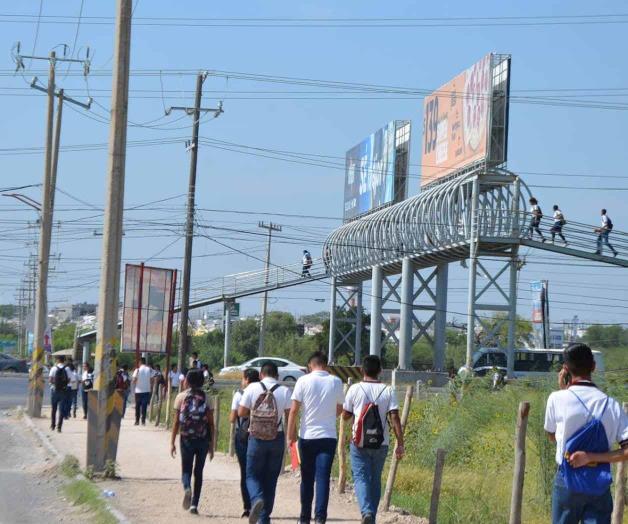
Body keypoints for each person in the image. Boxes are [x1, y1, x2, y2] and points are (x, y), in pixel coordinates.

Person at [544, 343, 628, 523]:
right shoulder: (612, 405)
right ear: (593, 367)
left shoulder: (556, 399)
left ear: (565, 369)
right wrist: (590, 457)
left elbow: (551, 436)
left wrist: (563, 390)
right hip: (599, 483)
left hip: (567, 480)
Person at [342, 355, 405, 524]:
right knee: (375, 479)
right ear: (380, 371)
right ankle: (372, 518)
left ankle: (366, 512)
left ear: (362, 370)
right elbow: (395, 418)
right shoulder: (388, 390)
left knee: (361, 477)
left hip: (358, 442)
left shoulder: (354, 389)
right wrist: (400, 443)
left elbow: (346, 415)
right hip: (381, 443)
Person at [288, 352, 344, 524]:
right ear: (325, 365)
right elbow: (340, 409)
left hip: (307, 436)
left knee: (307, 477)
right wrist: (327, 416)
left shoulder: (303, 381)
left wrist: (290, 436)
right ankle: (320, 518)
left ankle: (304, 518)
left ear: (310, 365)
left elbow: (294, 410)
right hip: (328, 437)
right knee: (323, 478)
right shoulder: (336, 381)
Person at [238, 362, 292, 524]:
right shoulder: (285, 391)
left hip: (256, 438)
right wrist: (291, 438)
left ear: (261, 374)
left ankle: (256, 499)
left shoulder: (252, 388)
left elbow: (241, 412)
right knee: (271, 479)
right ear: (277, 375)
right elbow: (290, 415)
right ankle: (264, 518)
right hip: (277, 437)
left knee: (252, 475)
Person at [170, 368, 215, 515]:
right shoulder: (207, 398)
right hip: (202, 439)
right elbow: (211, 424)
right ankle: (194, 504)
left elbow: (176, 422)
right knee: (199, 471)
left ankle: (187, 488)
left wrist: (172, 442)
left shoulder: (181, 397)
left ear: (187, 381)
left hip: (186, 439)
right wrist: (212, 445)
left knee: (186, 469)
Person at [230, 368, 261, 518]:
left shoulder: (239, 394)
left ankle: (248, 507)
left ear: (247, 379)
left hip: (243, 437)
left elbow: (232, 418)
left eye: (243, 378)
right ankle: (259, 500)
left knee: (246, 473)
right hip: (261, 436)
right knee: (258, 472)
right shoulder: (264, 393)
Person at [49, 355, 71, 433]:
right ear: (64, 360)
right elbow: (69, 379)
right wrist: (64, 385)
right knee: (61, 410)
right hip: (63, 391)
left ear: (58, 360)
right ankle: (59, 427)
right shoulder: (67, 369)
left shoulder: (54, 368)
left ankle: (52, 425)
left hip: (54, 390)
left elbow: (50, 379)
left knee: (53, 409)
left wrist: (55, 384)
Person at [132, 358, 153, 426]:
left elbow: (134, 380)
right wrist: (149, 385)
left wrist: (135, 382)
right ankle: (143, 421)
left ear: (140, 362)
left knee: (137, 406)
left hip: (138, 391)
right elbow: (152, 379)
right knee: (144, 406)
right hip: (146, 391)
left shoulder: (137, 370)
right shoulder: (149, 369)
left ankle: (137, 421)